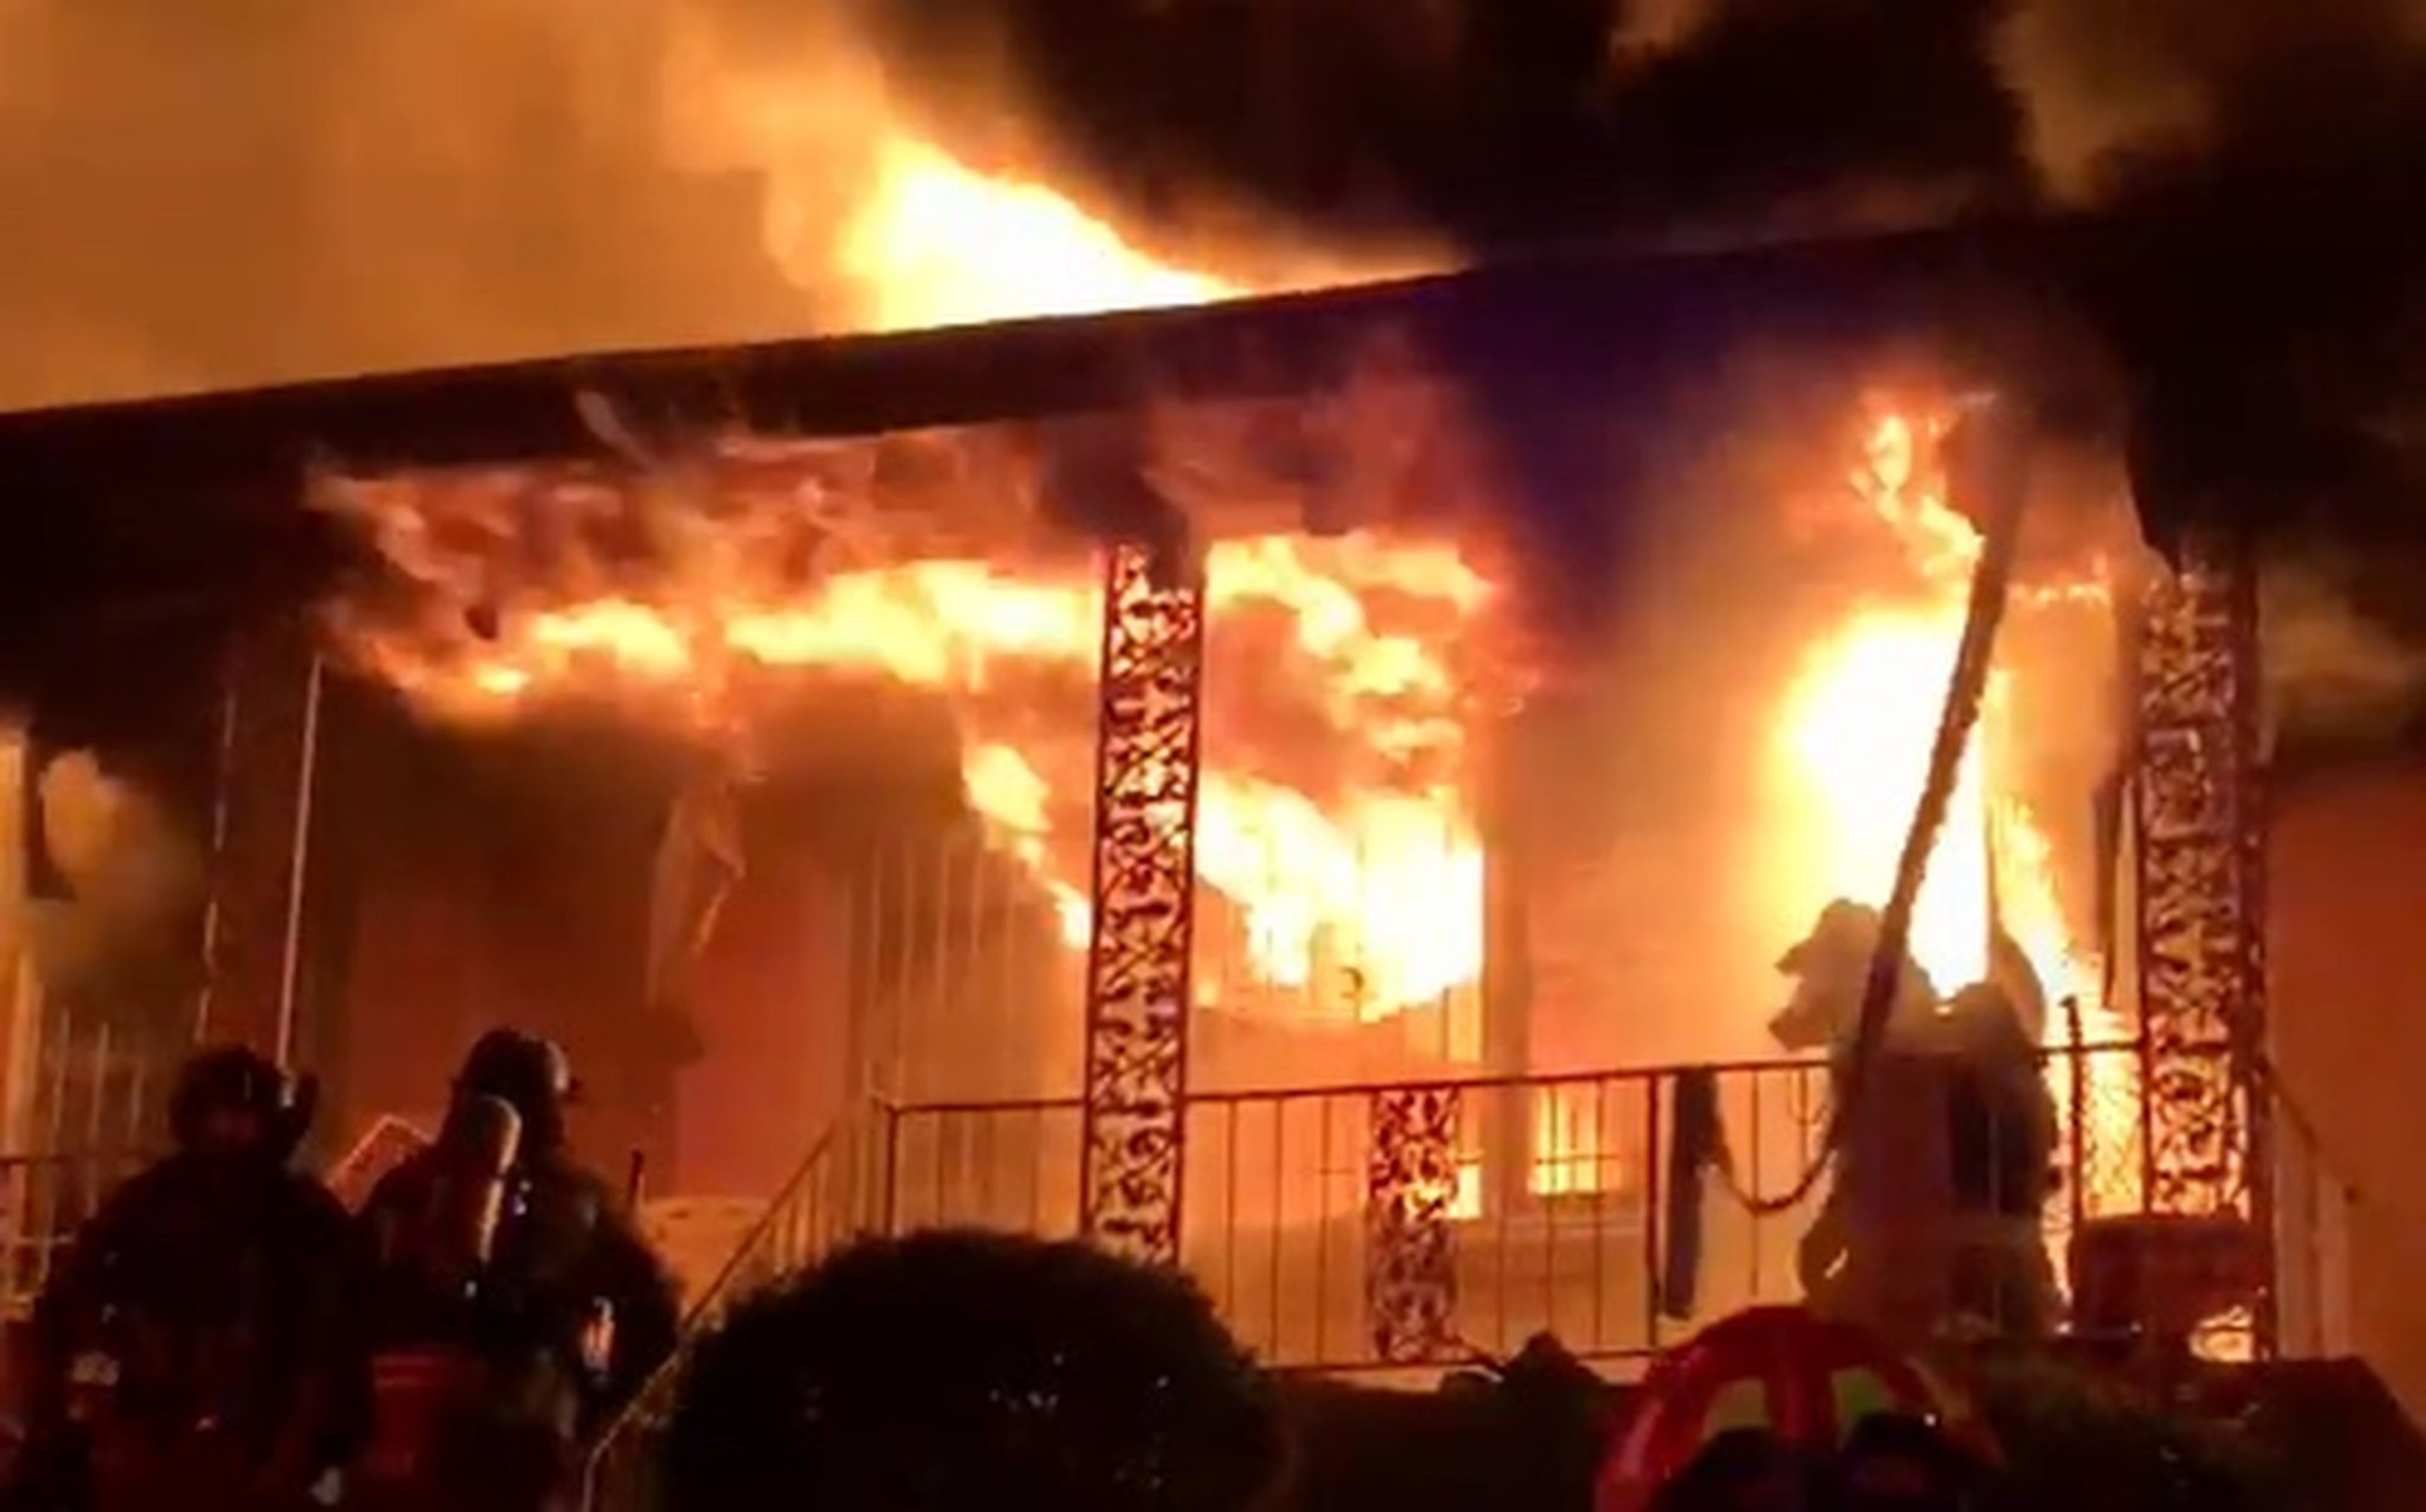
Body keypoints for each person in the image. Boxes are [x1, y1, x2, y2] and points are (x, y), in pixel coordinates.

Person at [8, 1045, 367, 1512]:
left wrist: (291, 1461)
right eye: (220, 1115)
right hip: (154, 1432)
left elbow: (332, 1349)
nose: (232, 1132)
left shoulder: (305, 1216)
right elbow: (73, 1300)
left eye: (245, 1117)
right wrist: (82, 1413)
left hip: (271, 1439)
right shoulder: (148, 1203)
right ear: (193, 1118)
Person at [353, 1029, 678, 1512]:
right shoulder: (585, 1197)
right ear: (553, 1106)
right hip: (530, 1429)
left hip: (403, 1427)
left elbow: (347, 1294)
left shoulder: (405, 1184)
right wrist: (601, 1399)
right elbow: (659, 1313)